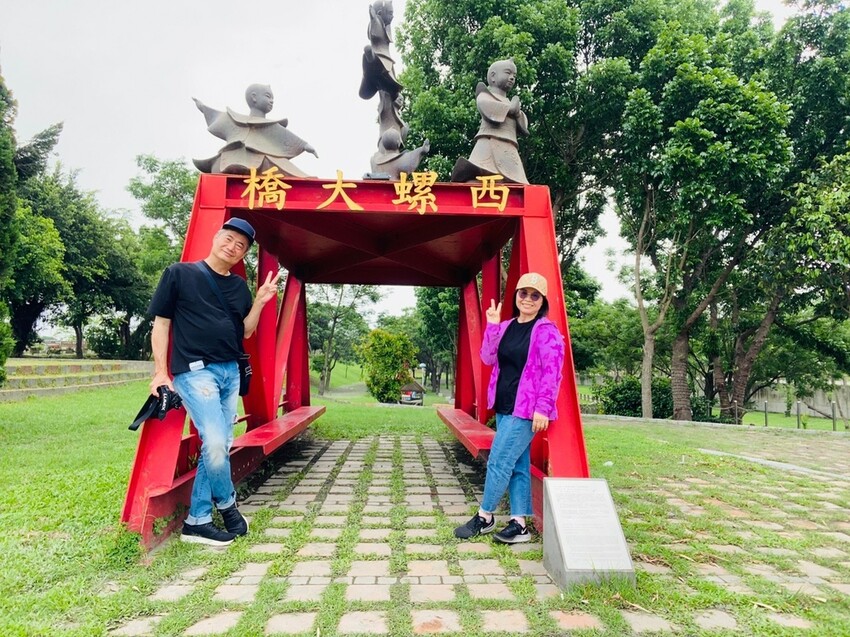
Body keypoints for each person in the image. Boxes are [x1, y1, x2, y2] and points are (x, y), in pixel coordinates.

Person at [148, 218, 281, 547]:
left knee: (216, 443)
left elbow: (246, 331)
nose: (233, 246)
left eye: (241, 246)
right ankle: (228, 507)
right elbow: (161, 325)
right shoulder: (179, 274)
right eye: (229, 238)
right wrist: (161, 372)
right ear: (216, 236)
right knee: (218, 443)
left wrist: (262, 300)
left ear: (243, 255)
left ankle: (198, 520)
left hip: (230, 372)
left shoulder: (237, 287)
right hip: (196, 373)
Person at [454, 273, 565, 544]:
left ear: (543, 301)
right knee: (517, 464)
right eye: (523, 293)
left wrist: (542, 408)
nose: (528, 299)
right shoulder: (506, 327)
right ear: (516, 296)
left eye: (534, 295)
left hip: (526, 410)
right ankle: (519, 524)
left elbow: (553, 372)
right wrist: (491, 325)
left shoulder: (546, 331)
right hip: (504, 406)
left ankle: (485, 516)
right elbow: (488, 356)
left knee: (499, 461)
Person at [193, 84, 319, 176]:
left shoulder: (271, 126)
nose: (271, 101)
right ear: (254, 97)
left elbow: (284, 135)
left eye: (272, 98)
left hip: (261, 160)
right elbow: (217, 116)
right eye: (268, 96)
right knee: (218, 165)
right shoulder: (234, 119)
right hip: (232, 157)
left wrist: (304, 145)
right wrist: (203, 108)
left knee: (280, 166)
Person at [451, 59, 529, 184]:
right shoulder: (485, 95)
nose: (511, 78)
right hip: (488, 141)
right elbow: (487, 107)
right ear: (493, 76)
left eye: (514, 76)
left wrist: (518, 113)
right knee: (480, 171)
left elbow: (523, 127)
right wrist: (510, 109)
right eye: (508, 73)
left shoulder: (510, 102)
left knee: (513, 179)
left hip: (508, 147)